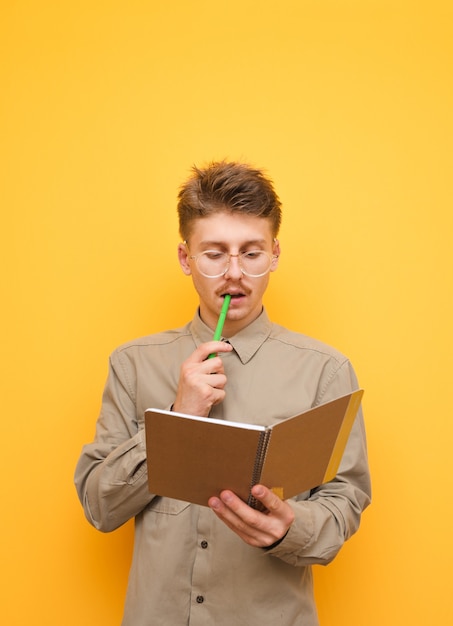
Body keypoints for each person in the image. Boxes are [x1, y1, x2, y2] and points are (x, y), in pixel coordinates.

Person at [74, 160, 371, 626]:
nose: (234, 274)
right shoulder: (133, 364)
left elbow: (345, 502)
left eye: (251, 253)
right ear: (184, 257)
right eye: (214, 254)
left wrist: (290, 528)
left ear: (274, 254)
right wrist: (178, 415)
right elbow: (99, 506)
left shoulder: (326, 371)